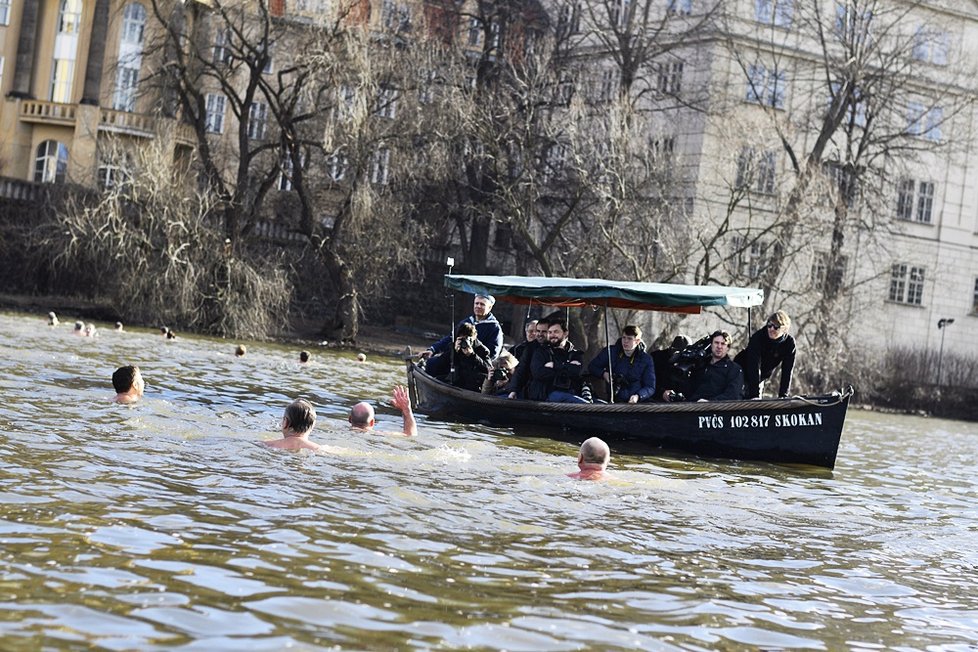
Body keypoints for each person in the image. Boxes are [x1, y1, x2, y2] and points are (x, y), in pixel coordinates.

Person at [419, 294, 504, 368]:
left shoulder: (494, 328)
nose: (478, 306)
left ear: (489, 307)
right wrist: (433, 350)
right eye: (476, 303)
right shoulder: (466, 322)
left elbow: (492, 354)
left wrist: (471, 354)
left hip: (475, 365)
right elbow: (450, 338)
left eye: (482, 304)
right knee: (431, 364)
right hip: (456, 360)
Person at [662, 330, 744, 402]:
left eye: (723, 344)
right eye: (716, 343)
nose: (719, 346)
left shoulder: (734, 369)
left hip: (717, 413)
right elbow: (689, 390)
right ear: (711, 345)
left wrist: (710, 403)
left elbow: (732, 395)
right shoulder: (701, 365)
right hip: (693, 409)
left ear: (728, 348)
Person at [734, 310, 797, 399]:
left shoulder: (789, 343)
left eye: (776, 327)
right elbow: (754, 367)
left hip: (761, 375)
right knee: (741, 397)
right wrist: (754, 395)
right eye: (769, 325)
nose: (771, 329)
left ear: (784, 329)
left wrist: (783, 395)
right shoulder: (758, 337)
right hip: (742, 369)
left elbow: (787, 370)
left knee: (757, 406)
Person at [587, 325, 656, 404]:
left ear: (637, 341)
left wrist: (638, 396)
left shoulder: (646, 359)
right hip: (613, 401)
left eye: (629, 338)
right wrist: (604, 374)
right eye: (624, 337)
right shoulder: (610, 352)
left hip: (636, 404)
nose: (625, 341)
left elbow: (650, 387)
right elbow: (592, 366)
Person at [528, 319, 589, 403]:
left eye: (556, 332)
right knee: (584, 405)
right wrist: (568, 367)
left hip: (573, 392)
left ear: (565, 333)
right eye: (550, 332)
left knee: (601, 405)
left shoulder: (575, 354)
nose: (552, 335)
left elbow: (578, 372)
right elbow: (539, 373)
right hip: (548, 394)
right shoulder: (541, 352)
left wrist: (555, 366)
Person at [505, 317, 551, 399]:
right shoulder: (525, 348)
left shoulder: (555, 348)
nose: (537, 334)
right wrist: (513, 390)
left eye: (544, 332)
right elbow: (521, 370)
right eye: (537, 331)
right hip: (527, 389)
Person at [349, 385, 417, 436]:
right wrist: (407, 410)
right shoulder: (379, 435)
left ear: (350, 419)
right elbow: (410, 435)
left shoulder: (342, 431)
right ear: (372, 422)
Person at [448, 323, 492, 391]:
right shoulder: (455, 345)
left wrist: (472, 355)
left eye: (467, 338)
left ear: (474, 337)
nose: (464, 341)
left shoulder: (483, 350)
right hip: (455, 379)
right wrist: (454, 351)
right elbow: (443, 362)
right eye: (462, 338)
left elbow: (488, 369)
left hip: (473, 384)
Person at [651, 334, 689, 399]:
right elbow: (648, 383)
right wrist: (662, 393)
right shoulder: (657, 358)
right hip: (657, 400)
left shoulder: (690, 363)